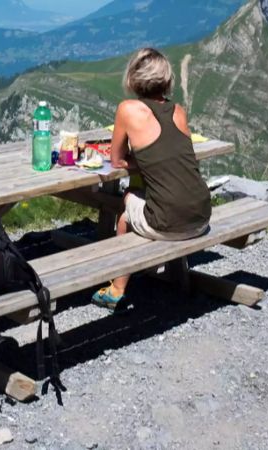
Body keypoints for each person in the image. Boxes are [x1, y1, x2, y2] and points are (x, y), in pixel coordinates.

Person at [91, 47, 212, 309]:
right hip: (202, 216)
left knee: (126, 204)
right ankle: (157, 269)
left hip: (171, 223)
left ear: (134, 78)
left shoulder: (128, 109)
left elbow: (117, 160)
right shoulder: (178, 111)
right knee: (159, 196)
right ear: (166, 79)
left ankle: (117, 288)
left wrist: (139, 161)